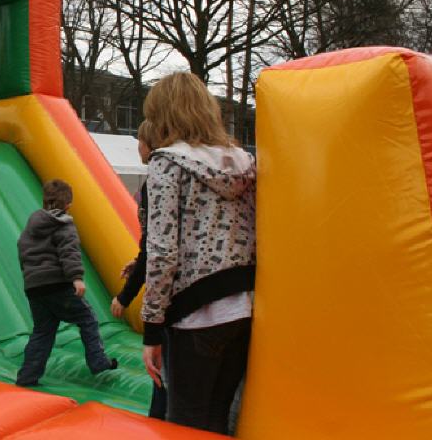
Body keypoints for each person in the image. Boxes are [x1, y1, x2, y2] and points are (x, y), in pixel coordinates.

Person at [140, 72, 256, 435]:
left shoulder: (167, 162)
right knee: (219, 418)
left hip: (194, 314)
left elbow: (161, 251)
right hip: (243, 308)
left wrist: (151, 329)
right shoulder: (243, 163)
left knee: (185, 425)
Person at [15, 179, 118, 387]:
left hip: (34, 287)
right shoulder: (63, 223)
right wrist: (76, 278)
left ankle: (27, 377)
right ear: (68, 205)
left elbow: (22, 252)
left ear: (44, 201)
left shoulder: (30, 227)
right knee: (87, 318)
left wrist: (31, 277)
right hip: (57, 284)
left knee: (42, 332)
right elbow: (69, 252)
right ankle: (98, 361)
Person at [109, 121, 166, 419]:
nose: (137, 147)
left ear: (149, 143)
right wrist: (138, 260)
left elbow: (158, 250)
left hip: (174, 303)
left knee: (162, 383)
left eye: (140, 141)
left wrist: (125, 296)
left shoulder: (159, 178)